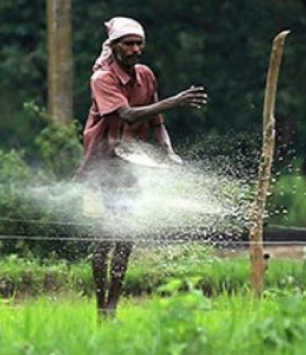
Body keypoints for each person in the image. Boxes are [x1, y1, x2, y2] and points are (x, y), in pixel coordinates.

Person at [74, 16, 208, 320]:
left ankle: (114, 307)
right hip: (101, 167)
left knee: (126, 237)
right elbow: (129, 115)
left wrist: (169, 153)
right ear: (114, 46)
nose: (135, 49)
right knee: (104, 238)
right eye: (128, 43)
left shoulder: (145, 75)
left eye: (139, 43)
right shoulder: (102, 79)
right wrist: (174, 101)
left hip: (130, 165)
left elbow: (156, 123)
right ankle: (101, 309)